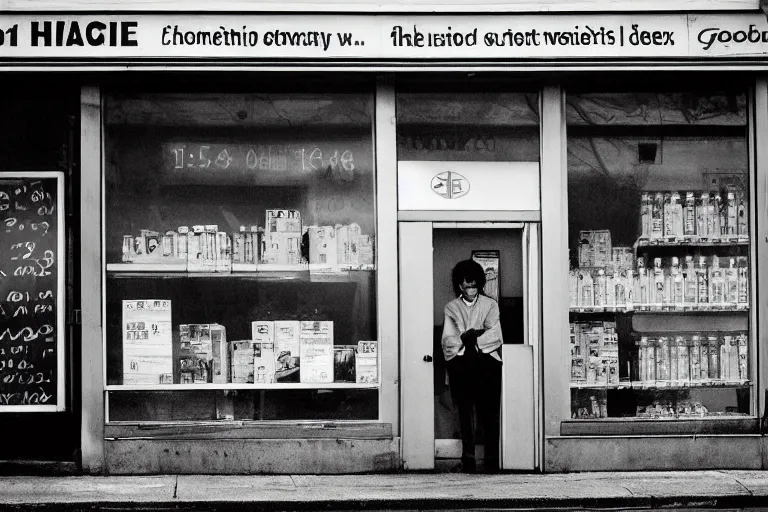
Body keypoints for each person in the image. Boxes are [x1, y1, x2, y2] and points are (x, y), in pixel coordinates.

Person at [441, 259, 503, 473]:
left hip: (487, 365)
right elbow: (448, 341)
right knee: (464, 413)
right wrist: (474, 335)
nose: (471, 290)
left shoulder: (490, 304)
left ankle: (491, 460)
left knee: (489, 413)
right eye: (467, 286)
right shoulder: (451, 307)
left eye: (474, 285)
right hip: (462, 365)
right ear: (459, 285)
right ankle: (468, 459)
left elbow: (496, 335)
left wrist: (471, 339)